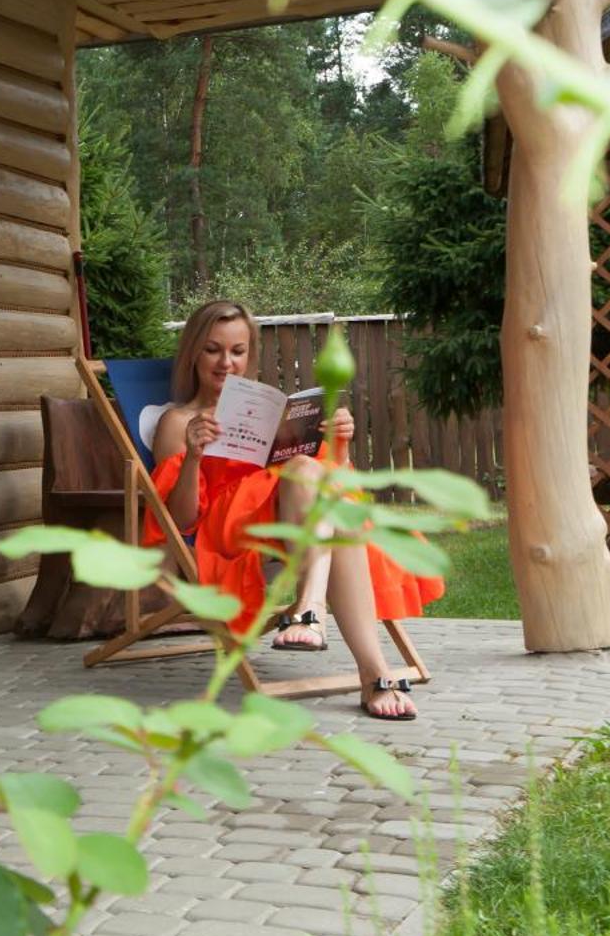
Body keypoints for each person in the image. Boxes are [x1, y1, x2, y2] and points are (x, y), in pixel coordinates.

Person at [143, 301, 443, 720]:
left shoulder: (274, 410)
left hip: (294, 515)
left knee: (318, 479)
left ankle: (346, 649)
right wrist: (193, 456)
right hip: (231, 527)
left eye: (238, 350)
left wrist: (340, 441)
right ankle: (331, 629)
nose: (226, 362)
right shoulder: (179, 421)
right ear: (193, 352)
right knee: (313, 480)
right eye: (213, 350)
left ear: (250, 354)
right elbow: (182, 520)